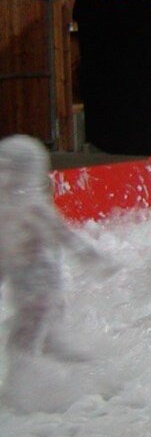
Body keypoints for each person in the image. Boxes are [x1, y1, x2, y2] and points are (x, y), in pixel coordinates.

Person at [0, 135, 114, 365]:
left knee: (26, 342)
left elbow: (67, 238)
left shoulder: (32, 208)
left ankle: (35, 386)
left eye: (6, 167)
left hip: (40, 288)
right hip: (31, 286)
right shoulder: (13, 209)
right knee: (38, 339)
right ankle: (81, 369)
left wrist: (93, 259)